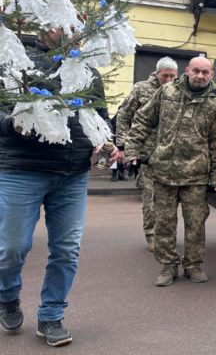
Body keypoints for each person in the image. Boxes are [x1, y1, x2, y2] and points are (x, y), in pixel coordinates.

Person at [0, 29, 118, 346]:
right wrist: (11, 124)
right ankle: (7, 295)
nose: (73, 33)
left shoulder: (89, 72)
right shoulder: (18, 62)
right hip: (23, 169)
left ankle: (51, 317)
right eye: (63, 26)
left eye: (75, 26)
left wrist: (108, 144)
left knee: (66, 251)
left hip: (72, 173)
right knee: (11, 249)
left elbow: (101, 119)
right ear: (45, 29)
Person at [124, 57, 216, 286]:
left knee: (195, 224)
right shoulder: (167, 93)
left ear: (211, 75)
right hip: (164, 172)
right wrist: (131, 152)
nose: (200, 76)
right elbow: (142, 120)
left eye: (205, 72)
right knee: (164, 223)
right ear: (187, 71)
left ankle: (192, 265)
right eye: (196, 71)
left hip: (196, 176)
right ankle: (168, 265)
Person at [115, 57, 178, 252]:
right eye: (164, 76)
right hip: (147, 155)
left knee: (169, 202)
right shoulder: (141, 89)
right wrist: (123, 146)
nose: (168, 80)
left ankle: (167, 237)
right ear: (157, 73)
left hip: (172, 156)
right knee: (150, 199)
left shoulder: (179, 91)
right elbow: (123, 117)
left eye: (172, 76)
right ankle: (151, 235)